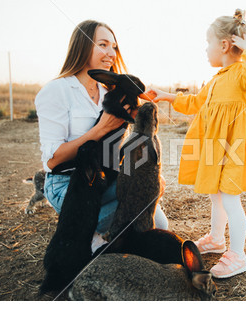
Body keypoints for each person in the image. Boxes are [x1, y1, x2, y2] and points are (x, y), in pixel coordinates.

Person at [146, 9, 246, 278]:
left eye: (208, 43)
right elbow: (195, 104)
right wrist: (166, 96)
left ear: (225, 45)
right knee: (216, 195)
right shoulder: (215, 80)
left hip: (232, 150)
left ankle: (238, 254)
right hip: (215, 151)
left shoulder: (240, 75)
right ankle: (216, 238)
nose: (206, 49)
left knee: (231, 199)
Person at [35, 20, 168, 252]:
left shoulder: (112, 90)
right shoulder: (56, 91)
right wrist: (100, 129)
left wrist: (143, 176)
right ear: (82, 47)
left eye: (114, 47)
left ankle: (96, 232)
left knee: (157, 214)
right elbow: (53, 160)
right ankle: (84, 233)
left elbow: (117, 148)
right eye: (103, 45)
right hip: (70, 182)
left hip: (105, 177)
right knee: (136, 216)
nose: (111, 53)